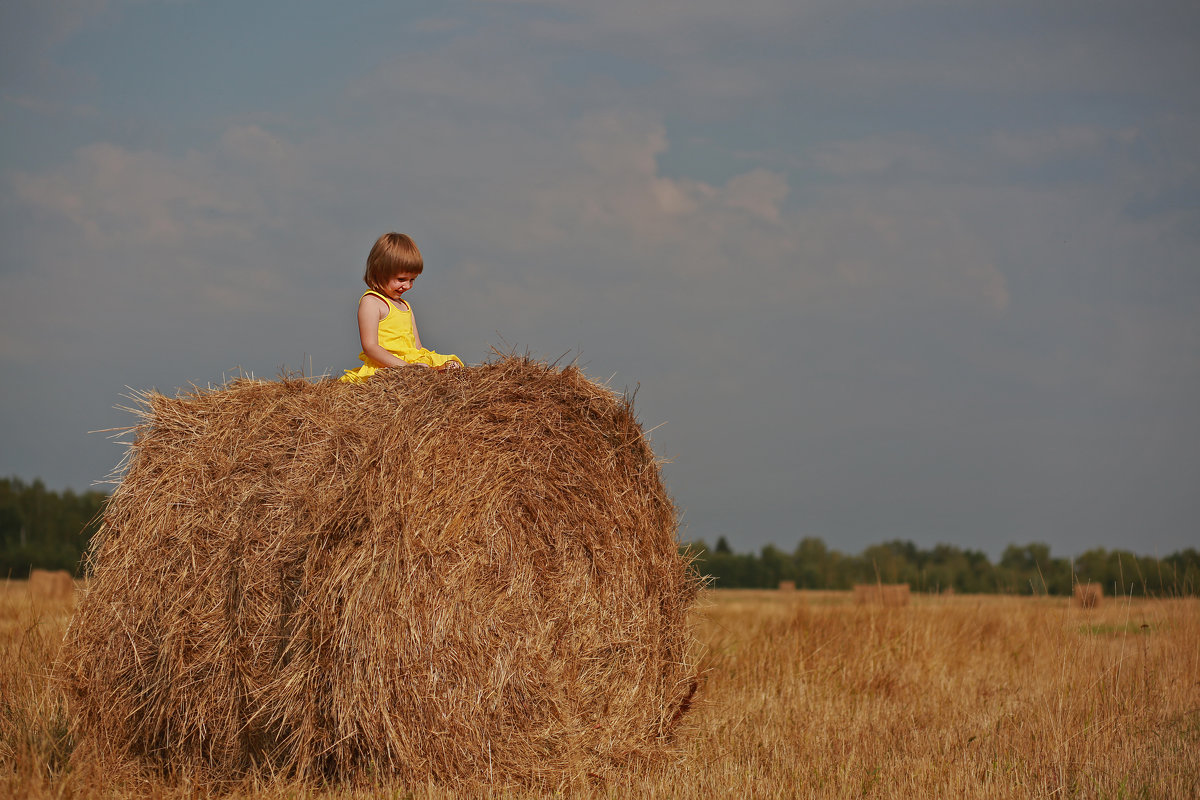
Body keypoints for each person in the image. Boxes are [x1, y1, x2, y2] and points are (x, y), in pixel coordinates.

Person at [340, 233, 464, 383]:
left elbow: (417, 347)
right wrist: (406, 368)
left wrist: (426, 365)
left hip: (411, 362)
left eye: (412, 280)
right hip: (387, 366)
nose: (407, 286)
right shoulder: (372, 302)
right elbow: (370, 347)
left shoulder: (406, 306)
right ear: (379, 272)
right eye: (401, 279)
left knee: (453, 364)